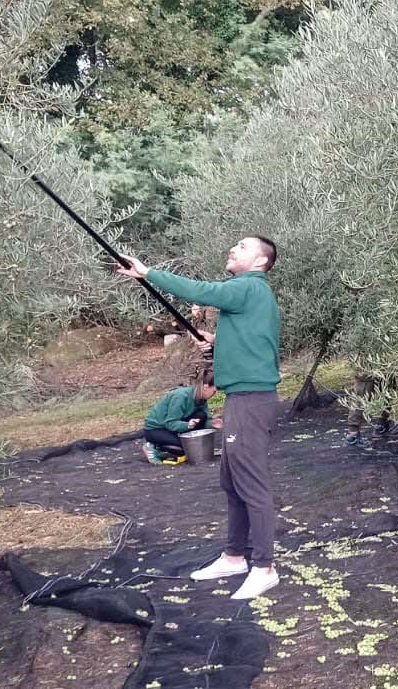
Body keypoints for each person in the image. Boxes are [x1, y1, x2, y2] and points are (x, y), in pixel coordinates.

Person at [118, 236, 281, 600]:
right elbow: (252, 343)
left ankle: (265, 567)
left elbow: (203, 291)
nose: (233, 249)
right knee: (231, 481)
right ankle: (235, 556)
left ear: (260, 262)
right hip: (243, 397)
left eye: (242, 246)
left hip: (252, 400)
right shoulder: (250, 297)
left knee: (251, 483)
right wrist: (217, 342)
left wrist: (147, 273)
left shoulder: (249, 287)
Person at [142, 371, 221, 464]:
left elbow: (204, 419)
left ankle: (171, 443)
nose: (214, 394)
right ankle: (154, 447)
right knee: (188, 448)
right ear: (206, 387)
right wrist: (188, 425)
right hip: (156, 429)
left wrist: (212, 423)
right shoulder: (180, 396)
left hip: (176, 426)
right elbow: (170, 423)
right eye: (214, 391)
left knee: (201, 416)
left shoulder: (201, 399)